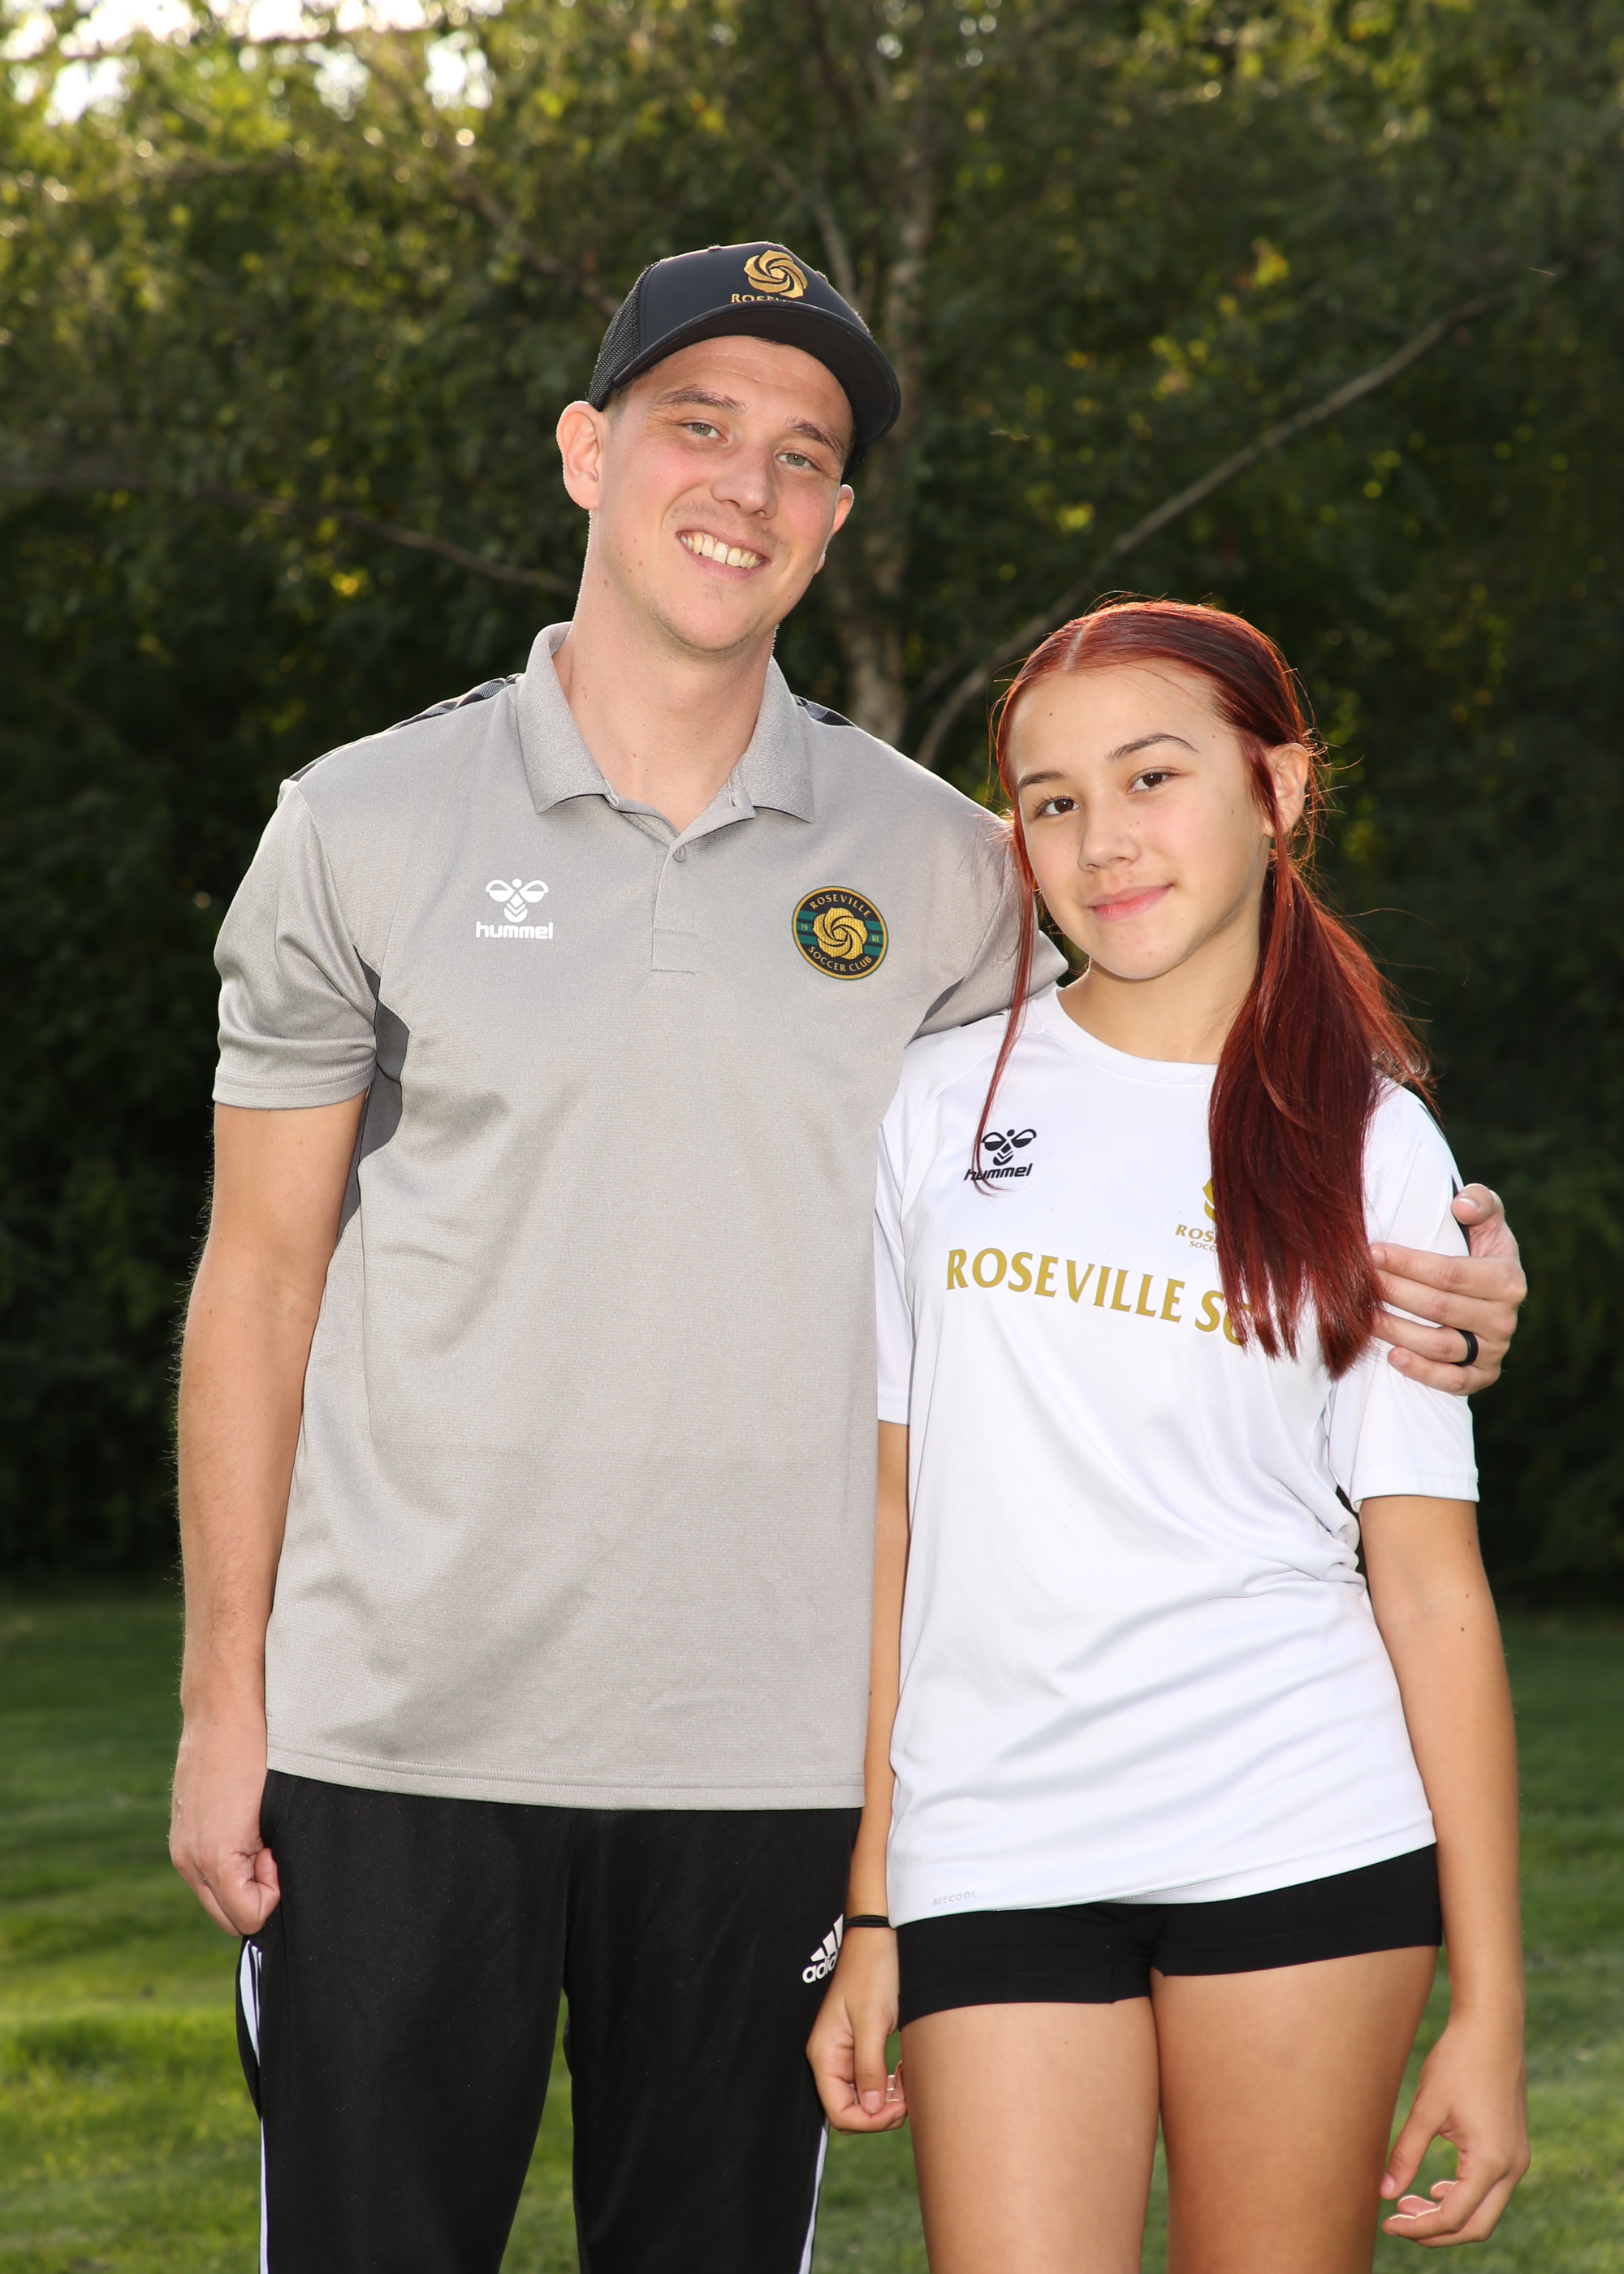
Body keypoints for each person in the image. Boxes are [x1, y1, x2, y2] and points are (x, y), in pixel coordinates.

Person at [170, 232, 1523, 2274]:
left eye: (803, 454)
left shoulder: (948, 865)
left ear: (836, 517)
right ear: (585, 452)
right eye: (697, 425)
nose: (748, 481)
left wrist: (1440, 1247)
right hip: (388, 1741)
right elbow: (260, 1279)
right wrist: (222, 1698)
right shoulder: (358, 822)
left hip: (781, 1758)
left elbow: (1181, 1083)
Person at [810, 600, 1530, 2273]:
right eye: (1052, 800)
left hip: (1297, 1824)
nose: (1103, 839)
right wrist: (873, 1900)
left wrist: (1489, 2004)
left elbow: (1430, 1588)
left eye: (1152, 776)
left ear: (1278, 788)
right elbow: (896, 1526)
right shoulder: (939, 1103)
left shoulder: (1371, 1143)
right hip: (992, 1839)